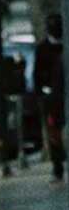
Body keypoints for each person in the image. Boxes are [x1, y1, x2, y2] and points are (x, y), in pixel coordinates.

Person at [34, 12, 64, 183]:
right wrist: (42, 95)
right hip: (52, 99)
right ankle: (57, 167)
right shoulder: (42, 49)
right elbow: (37, 74)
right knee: (54, 135)